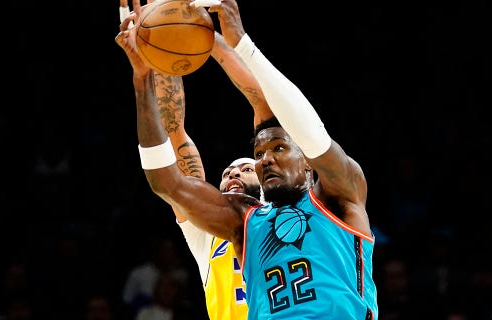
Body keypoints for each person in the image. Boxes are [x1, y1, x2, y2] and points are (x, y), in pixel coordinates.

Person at [115, 0, 379, 318]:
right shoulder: (241, 223)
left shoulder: (340, 195)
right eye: (258, 154)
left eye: (278, 150)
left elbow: (301, 126)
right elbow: (167, 181)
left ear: (307, 161)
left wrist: (226, 41)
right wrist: (143, 77)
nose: (264, 159)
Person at [117, 1, 272, 319]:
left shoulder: (289, 214)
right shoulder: (207, 235)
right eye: (228, 171)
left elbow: (262, 100)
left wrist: (215, 41)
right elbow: (175, 136)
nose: (232, 174)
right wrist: (156, 59)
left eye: (245, 169)